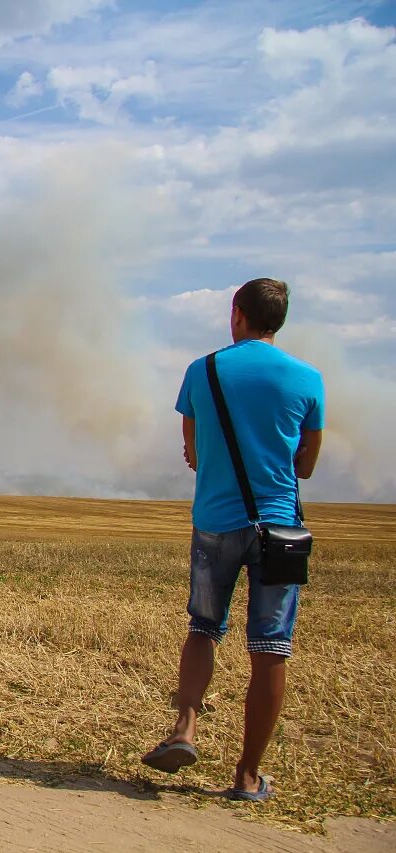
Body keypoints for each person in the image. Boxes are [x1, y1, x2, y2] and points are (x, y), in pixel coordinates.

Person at [141, 278, 324, 802]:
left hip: (215, 523)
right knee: (270, 648)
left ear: (237, 315)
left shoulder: (204, 370)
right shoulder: (309, 379)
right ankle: (246, 777)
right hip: (281, 529)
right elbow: (306, 465)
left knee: (202, 628)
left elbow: (193, 451)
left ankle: (184, 730)